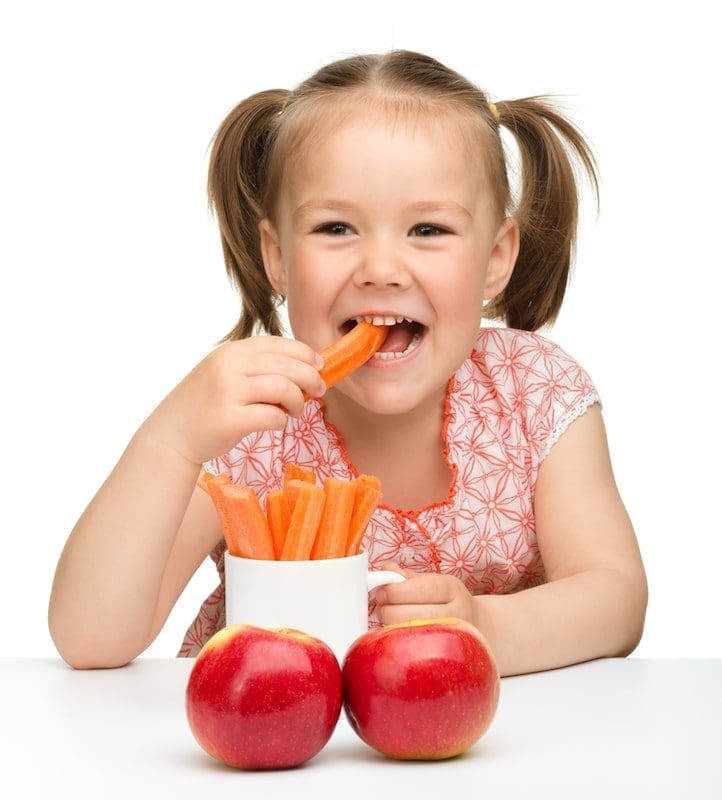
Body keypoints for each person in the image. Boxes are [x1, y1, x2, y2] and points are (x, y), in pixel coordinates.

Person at [48, 49, 647, 675]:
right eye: (336, 228)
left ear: (496, 258)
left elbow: (617, 598)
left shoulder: (536, 393)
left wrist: (486, 626)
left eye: (427, 230)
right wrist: (169, 442)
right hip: (271, 749)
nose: (381, 270)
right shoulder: (247, 419)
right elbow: (90, 640)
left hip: (475, 761)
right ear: (277, 257)